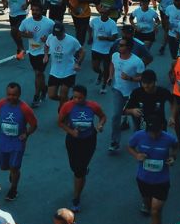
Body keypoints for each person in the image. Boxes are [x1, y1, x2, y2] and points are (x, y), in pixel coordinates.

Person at [128, 116, 179, 224]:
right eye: (151, 132)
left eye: (156, 132)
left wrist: (173, 157)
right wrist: (136, 155)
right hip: (143, 179)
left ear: (161, 129)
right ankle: (146, 206)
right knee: (148, 204)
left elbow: (176, 146)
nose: (153, 135)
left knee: (156, 211)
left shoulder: (168, 138)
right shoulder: (139, 136)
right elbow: (130, 146)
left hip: (161, 181)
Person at [57, 84, 106, 212]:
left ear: (85, 97)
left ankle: (76, 198)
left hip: (89, 140)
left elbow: (102, 116)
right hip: (73, 140)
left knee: (79, 171)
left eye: (80, 98)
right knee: (74, 167)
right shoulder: (67, 106)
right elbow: (60, 122)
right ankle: (82, 171)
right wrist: (71, 131)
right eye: (75, 97)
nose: (77, 100)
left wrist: (100, 125)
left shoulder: (93, 106)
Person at [0, 82, 37, 202]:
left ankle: (13, 189)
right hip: (4, 141)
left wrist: (26, 134)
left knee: (14, 167)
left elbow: (34, 125)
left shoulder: (25, 109)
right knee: (4, 166)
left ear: (19, 94)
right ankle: (12, 172)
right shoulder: (0, 104)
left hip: (18, 143)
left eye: (14, 95)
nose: (11, 97)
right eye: (9, 94)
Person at [108, 38, 145, 154]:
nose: (119, 47)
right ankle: (115, 142)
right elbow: (112, 64)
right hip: (118, 90)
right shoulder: (115, 56)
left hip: (133, 93)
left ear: (128, 47)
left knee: (136, 118)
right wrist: (110, 76)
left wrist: (130, 78)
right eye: (119, 45)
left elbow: (143, 77)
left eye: (122, 45)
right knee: (116, 115)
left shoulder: (137, 61)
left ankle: (137, 140)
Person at [45, 22, 84, 110]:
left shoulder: (72, 41)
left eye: (59, 34)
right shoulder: (51, 37)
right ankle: (67, 101)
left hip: (68, 71)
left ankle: (63, 111)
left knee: (63, 94)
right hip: (54, 71)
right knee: (51, 95)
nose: (57, 36)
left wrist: (78, 63)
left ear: (63, 31)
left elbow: (82, 51)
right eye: (56, 34)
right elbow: (46, 46)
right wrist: (46, 55)